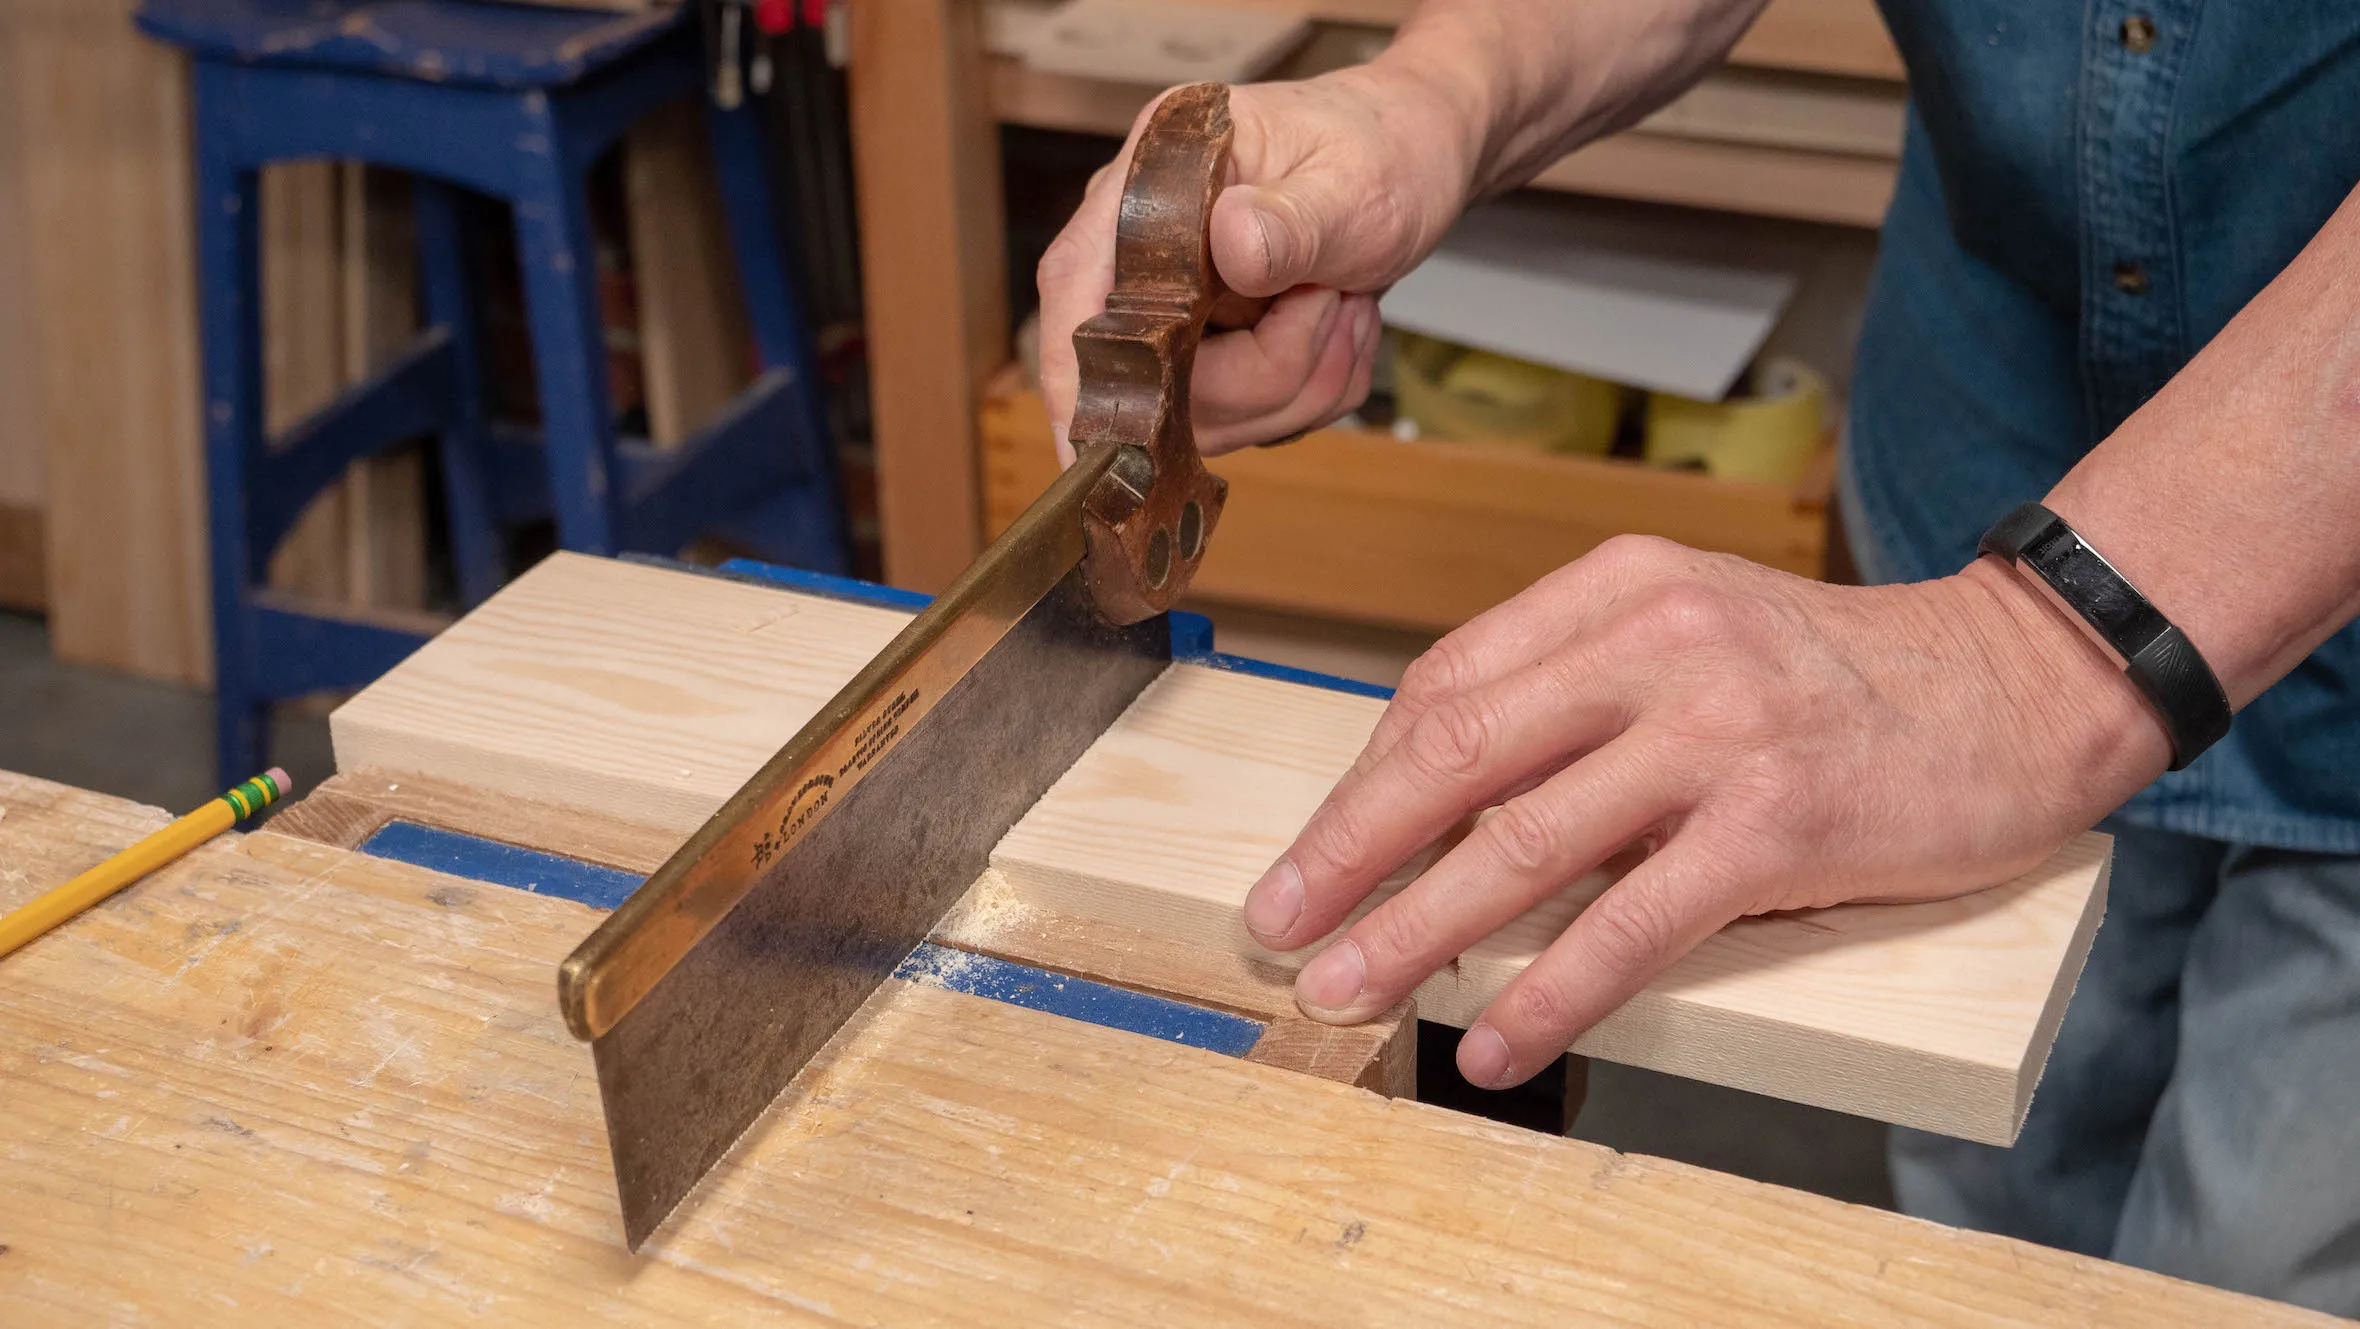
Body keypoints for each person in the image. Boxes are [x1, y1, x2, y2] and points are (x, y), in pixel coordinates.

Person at [1034, 0, 2360, 1314]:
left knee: (2253, 1261)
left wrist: (2032, 653)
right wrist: (1441, 93)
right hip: (1994, 417)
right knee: (1988, 1210)